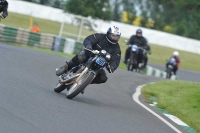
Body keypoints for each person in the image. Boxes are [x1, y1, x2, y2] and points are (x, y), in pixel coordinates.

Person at [56, 26, 121, 84]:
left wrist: (111, 67)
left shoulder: (117, 49)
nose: (114, 38)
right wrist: (89, 46)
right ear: (108, 34)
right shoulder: (100, 36)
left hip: (99, 65)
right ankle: (66, 67)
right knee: (81, 57)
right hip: (89, 55)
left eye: (116, 36)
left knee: (103, 78)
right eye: (113, 35)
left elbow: (116, 60)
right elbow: (89, 39)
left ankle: (84, 83)